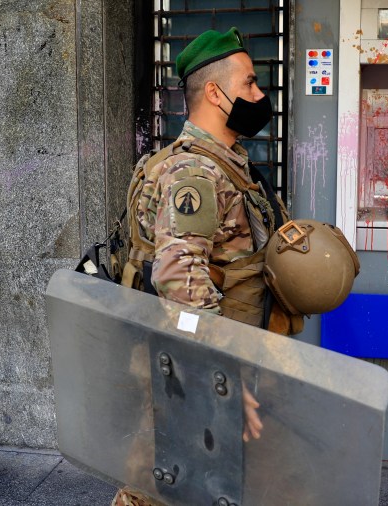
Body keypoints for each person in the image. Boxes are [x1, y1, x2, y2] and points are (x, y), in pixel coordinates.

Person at [112, 27, 287, 506]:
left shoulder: (227, 165)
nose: (259, 94)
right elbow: (178, 276)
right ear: (215, 92)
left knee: (185, 482)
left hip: (199, 369)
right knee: (159, 486)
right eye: (249, 83)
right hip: (190, 373)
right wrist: (221, 375)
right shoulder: (197, 173)